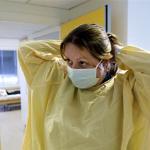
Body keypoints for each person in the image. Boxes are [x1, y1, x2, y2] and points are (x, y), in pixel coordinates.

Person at [18, 24, 150, 150]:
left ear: (106, 61)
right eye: (69, 61)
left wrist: (116, 51)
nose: (73, 69)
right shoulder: (59, 78)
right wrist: (71, 47)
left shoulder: (128, 88)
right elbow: (26, 50)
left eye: (82, 62)